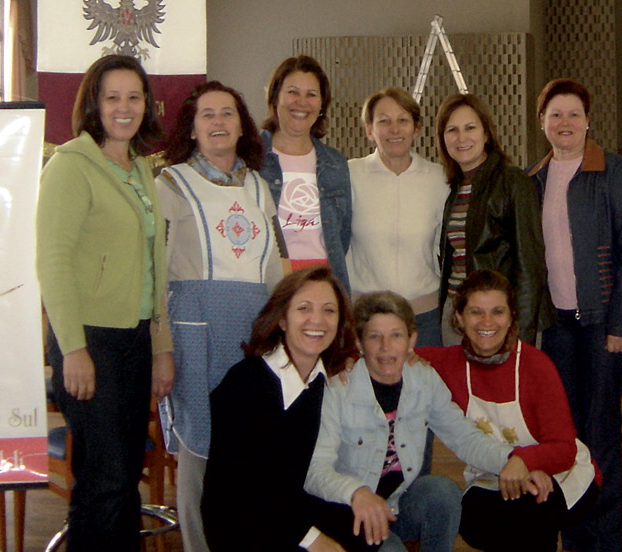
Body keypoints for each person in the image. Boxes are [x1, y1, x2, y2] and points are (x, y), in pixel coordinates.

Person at [36, 54, 175, 552]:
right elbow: (51, 262)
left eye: (134, 97)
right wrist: (72, 349)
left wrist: (160, 347)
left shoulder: (140, 169)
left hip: (134, 339)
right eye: (112, 97)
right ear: (94, 104)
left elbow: (154, 267)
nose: (124, 107)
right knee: (103, 480)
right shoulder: (70, 166)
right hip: (90, 342)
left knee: (123, 480)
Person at [155, 81, 287, 552]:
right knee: (200, 452)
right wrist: (161, 346)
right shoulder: (169, 184)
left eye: (227, 113)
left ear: (242, 124)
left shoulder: (258, 184)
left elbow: (276, 266)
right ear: (191, 128)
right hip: (197, 332)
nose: (218, 122)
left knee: (250, 445)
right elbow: (155, 275)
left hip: (253, 331)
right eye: (206, 114)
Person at [305, 292, 538, 552]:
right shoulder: (337, 389)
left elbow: (464, 437)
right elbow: (314, 470)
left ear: (411, 340)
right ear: (359, 343)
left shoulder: (424, 379)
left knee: (443, 492)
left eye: (396, 335)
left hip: (396, 504)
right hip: (348, 512)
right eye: (374, 337)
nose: (385, 347)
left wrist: (515, 460)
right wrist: (357, 493)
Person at [527, 78, 622, 552]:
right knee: (563, 436)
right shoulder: (534, 177)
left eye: (573, 114)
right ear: (542, 122)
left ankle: (603, 540)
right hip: (556, 330)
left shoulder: (612, 171)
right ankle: (574, 535)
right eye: (555, 114)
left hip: (602, 328)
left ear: (588, 120)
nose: (564, 123)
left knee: (600, 435)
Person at [417, 271, 599, 552]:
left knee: (534, 505)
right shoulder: (446, 364)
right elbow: (385, 353)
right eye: (476, 312)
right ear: (459, 318)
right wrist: (345, 362)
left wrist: (523, 462)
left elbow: (564, 449)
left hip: (559, 471)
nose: (487, 323)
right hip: (491, 472)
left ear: (512, 316)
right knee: (473, 518)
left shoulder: (536, 367)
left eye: (497, 312)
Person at [202, 266, 356, 552]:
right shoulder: (244, 384)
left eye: (329, 311)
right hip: (242, 521)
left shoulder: (323, 380)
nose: (317, 320)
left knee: (362, 525)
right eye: (304, 308)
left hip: (287, 507)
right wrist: (314, 540)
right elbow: (248, 490)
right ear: (283, 319)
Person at [436, 93, 551, 345]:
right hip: (457, 314)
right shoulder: (454, 189)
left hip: (499, 317)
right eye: (452, 130)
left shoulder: (513, 182)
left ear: (486, 134)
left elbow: (530, 265)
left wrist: (520, 330)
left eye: (470, 128)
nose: (461, 137)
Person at [347, 87, 449, 347]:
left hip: (424, 318)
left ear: (416, 129)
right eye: (384, 121)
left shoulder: (439, 179)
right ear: (369, 130)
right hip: (365, 318)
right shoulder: (349, 175)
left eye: (403, 120)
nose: (394, 129)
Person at [259, 55, 352, 289]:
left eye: (311, 94)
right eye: (293, 92)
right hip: (268, 283)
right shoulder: (250, 160)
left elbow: (342, 235)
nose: (301, 102)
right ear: (275, 97)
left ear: (322, 104)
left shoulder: (335, 164)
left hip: (325, 284)